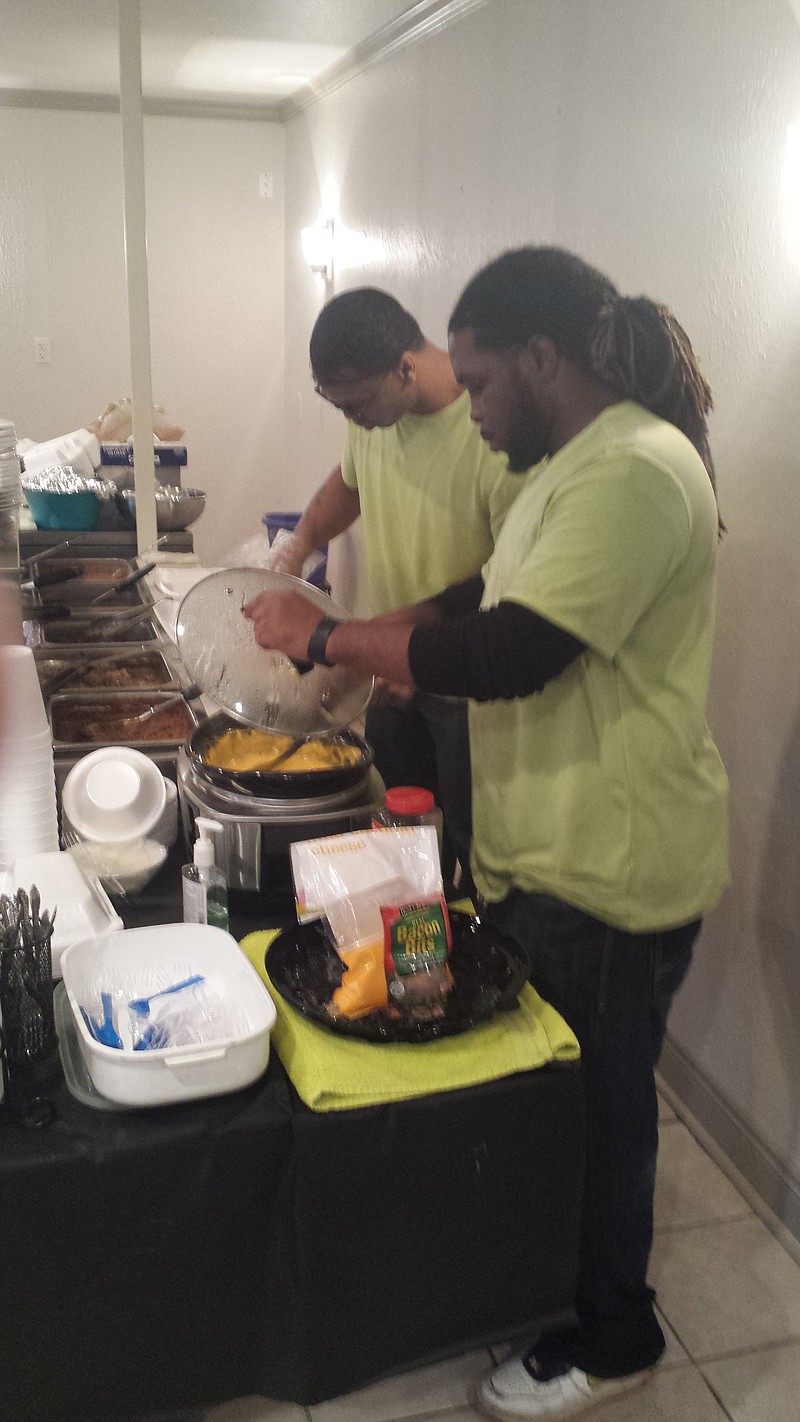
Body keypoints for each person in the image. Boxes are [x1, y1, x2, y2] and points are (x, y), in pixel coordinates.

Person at [244, 246, 729, 1421]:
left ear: (542, 360)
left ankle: (614, 1333)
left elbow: (507, 655)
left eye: (480, 381)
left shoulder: (632, 473)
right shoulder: (568, 466)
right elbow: (473, 605)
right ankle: (550, 1285)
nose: (466, 405)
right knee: (559, 1101)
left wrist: (326, 643)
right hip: (549, 849)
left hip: (614, 859)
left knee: (606, 1107)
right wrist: (369, 632)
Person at [268, 287, 522, 892]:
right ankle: (409, 957)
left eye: (356, 405)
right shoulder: (376, 420)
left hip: (470, 689)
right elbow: (349, 483)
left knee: (473, 848)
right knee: (399, 840)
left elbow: (509, 582)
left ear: (405, 368)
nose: (352, 421)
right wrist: (298, 543)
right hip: (393, 669)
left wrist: (410, 643)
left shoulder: (492, 432)